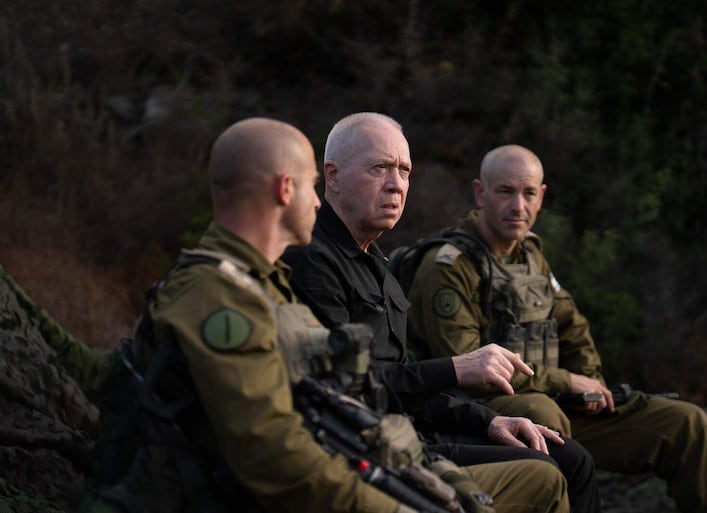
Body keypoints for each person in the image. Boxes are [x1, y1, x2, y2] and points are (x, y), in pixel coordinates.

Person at [83, 119, 571, 513]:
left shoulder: (265, 284)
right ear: (284, 189)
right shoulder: (225, 296)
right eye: (314, 186)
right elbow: (275, 453)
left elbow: (338, 397)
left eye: (405, 171)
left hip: (365, 451)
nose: (318, 202)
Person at [283, 113, 601, 513]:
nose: (396, 185)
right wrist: (454, 368)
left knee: (571, 458)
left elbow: (405, 382)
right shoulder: (313, 261)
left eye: (404, 171)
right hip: (372, 447)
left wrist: (486, 422)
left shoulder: (376, 262)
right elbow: (343, 391)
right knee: (546, 470)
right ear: (332, 175)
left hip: (410, 429)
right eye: (379, 168)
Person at [405, 144, 707, 513]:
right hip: (486, 417)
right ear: (480, 193)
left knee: (685, 422)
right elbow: (465, 366)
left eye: (529, 193)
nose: (518, 206)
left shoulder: (531, 254)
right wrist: (567, 383)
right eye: (505, 191)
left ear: (542, 197)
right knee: (540, 411)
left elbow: (571, 324)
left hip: (559, 406)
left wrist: (591, 384)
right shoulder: (447, 267)